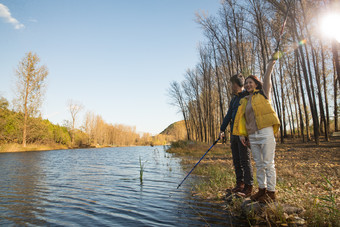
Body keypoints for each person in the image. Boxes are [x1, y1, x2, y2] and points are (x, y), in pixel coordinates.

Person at [232, 56, 280, 203]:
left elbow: (267, 79)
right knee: (259, 164)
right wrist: (242, 135)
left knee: (268, 164)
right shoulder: (245, 100)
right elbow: (242, 120)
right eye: (246, 83)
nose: (247, 85)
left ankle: (271, 193)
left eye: (250, 82)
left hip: (265, 133)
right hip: (252, 135)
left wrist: (270, 63)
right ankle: (262, 190)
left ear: (256, 84)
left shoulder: (263, 93)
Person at [219, 73, 253, 197]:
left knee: (245, 160)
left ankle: (248, 187)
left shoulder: (247, 96)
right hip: (233, 133)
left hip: (244, 133)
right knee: (236, 161)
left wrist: (248, 133)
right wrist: (222, 129)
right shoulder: (234, 99)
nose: (231, 86)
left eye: (232, 84)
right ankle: (240, 185)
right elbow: (228, 115)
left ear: (238, 84)